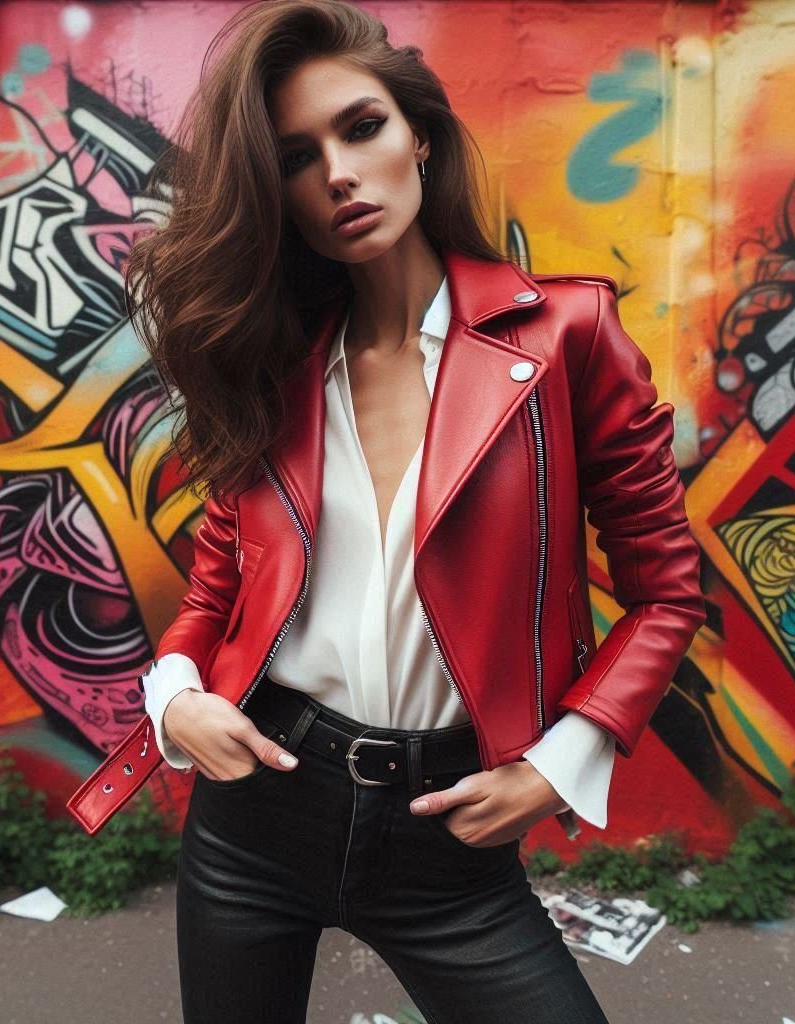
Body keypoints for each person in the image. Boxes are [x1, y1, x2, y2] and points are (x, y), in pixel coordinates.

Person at [121, 1, 706, 1021]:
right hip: (256, 811)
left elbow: (665, 590)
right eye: (298, 158)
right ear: (280, 197)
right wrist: (175, 700)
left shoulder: (566, 337)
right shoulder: (280, 365)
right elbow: (217, 583)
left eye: (361, 128)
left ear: (419, 137)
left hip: (448, 834)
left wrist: (557, 763)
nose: (339, 174)